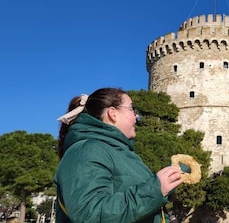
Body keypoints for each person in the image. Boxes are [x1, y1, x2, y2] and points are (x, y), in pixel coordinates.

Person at [54, 88, 183, 223]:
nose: (137, 116)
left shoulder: (124, 155)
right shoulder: (85, 151)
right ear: (113, 113)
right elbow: (90, 214)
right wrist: (155, 190)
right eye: (132, 109)